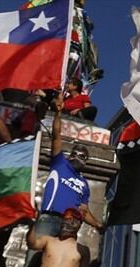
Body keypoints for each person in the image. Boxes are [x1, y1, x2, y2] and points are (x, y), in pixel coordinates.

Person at [37, 92, 103, 236]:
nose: (79, 158)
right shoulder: (60, 163)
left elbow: (84, 211)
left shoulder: (84, 184)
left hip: (70, 225)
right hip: (49, 218)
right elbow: (56, 136)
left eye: (83, 156)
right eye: (76, 154)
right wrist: (58, 113)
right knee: (39, 253)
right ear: (70, 155)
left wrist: (98, 224)